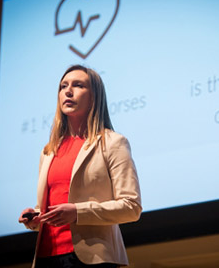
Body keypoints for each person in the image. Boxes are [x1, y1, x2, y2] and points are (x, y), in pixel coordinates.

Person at [18, 65, 142, 268]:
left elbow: (131, 206)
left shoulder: (113, 143)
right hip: (46, 257)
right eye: (63, 86)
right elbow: (48, 208)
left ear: (94, 97)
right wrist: (34, 217)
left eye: (78, 85)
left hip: (91, 258)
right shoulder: (48, 151)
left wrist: (78, 212)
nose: (68, 91)